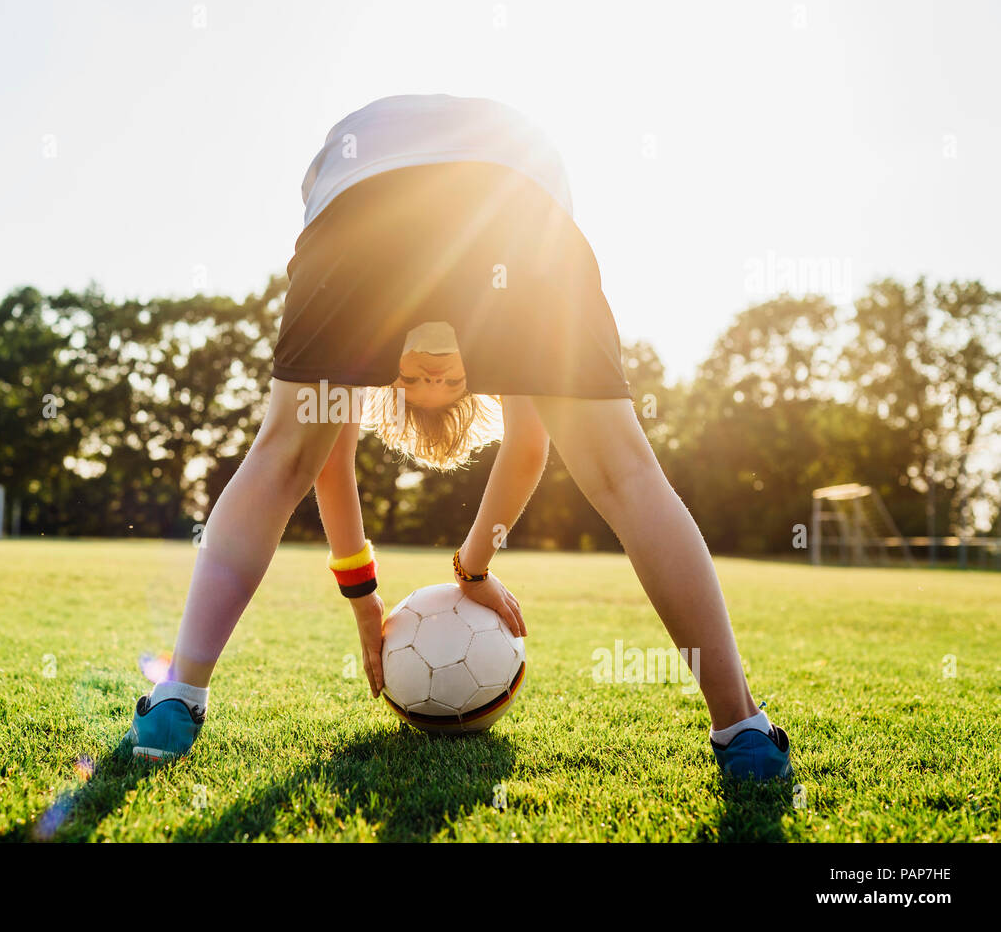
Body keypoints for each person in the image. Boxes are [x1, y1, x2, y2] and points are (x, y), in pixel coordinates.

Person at [129, 94, 792, 781]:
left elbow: (525, 445)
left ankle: (741, 726)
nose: (435, 375)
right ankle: (176, 698)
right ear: (389, 371)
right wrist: (367, 601)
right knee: (285, 454)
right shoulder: (409, 348)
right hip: (489, 198)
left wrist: (473, 566)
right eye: (421, 379)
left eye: (439, 382)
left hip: (434, 203)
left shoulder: (477, 342)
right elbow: (329, 462)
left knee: (623, 470)